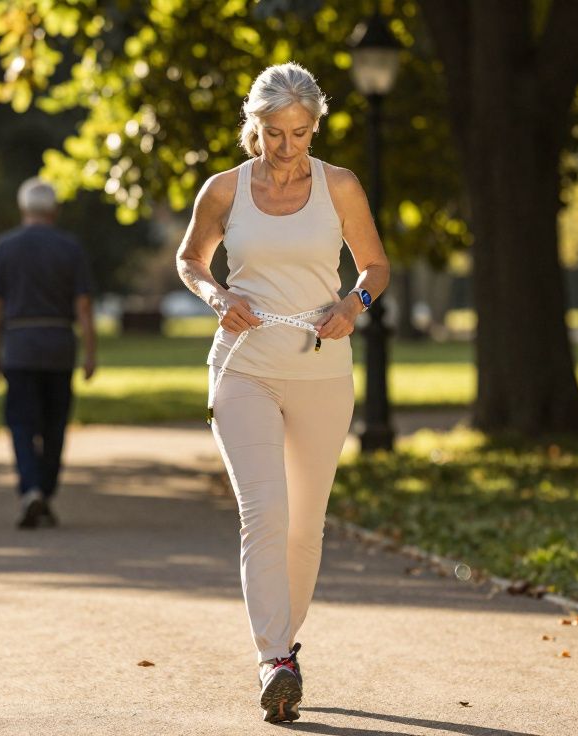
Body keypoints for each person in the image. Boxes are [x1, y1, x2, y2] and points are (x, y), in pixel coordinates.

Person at [175, 62, 390, 724]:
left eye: (299, 133)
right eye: (273, 133)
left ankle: (285, 645)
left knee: (304, 525)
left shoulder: (341, 187)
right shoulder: (224, 189)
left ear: (314, 127)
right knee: (264, 514)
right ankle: (274, 658)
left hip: (322, 370)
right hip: (245, 366)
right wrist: (218, 295)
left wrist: (353, 304)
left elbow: (375, 266)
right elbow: (191, 260)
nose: (286, 148)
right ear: (255, 127)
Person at [0, 177, 97, 530]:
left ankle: (31, 487)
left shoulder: (5, 247)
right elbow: (84, 306)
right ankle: (44, 490)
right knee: (54, 424)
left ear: (23, 209)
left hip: (18, 344)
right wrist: (90, 351)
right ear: (54, 210)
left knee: (20, 422)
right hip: (59, 344)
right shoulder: (70, 248)